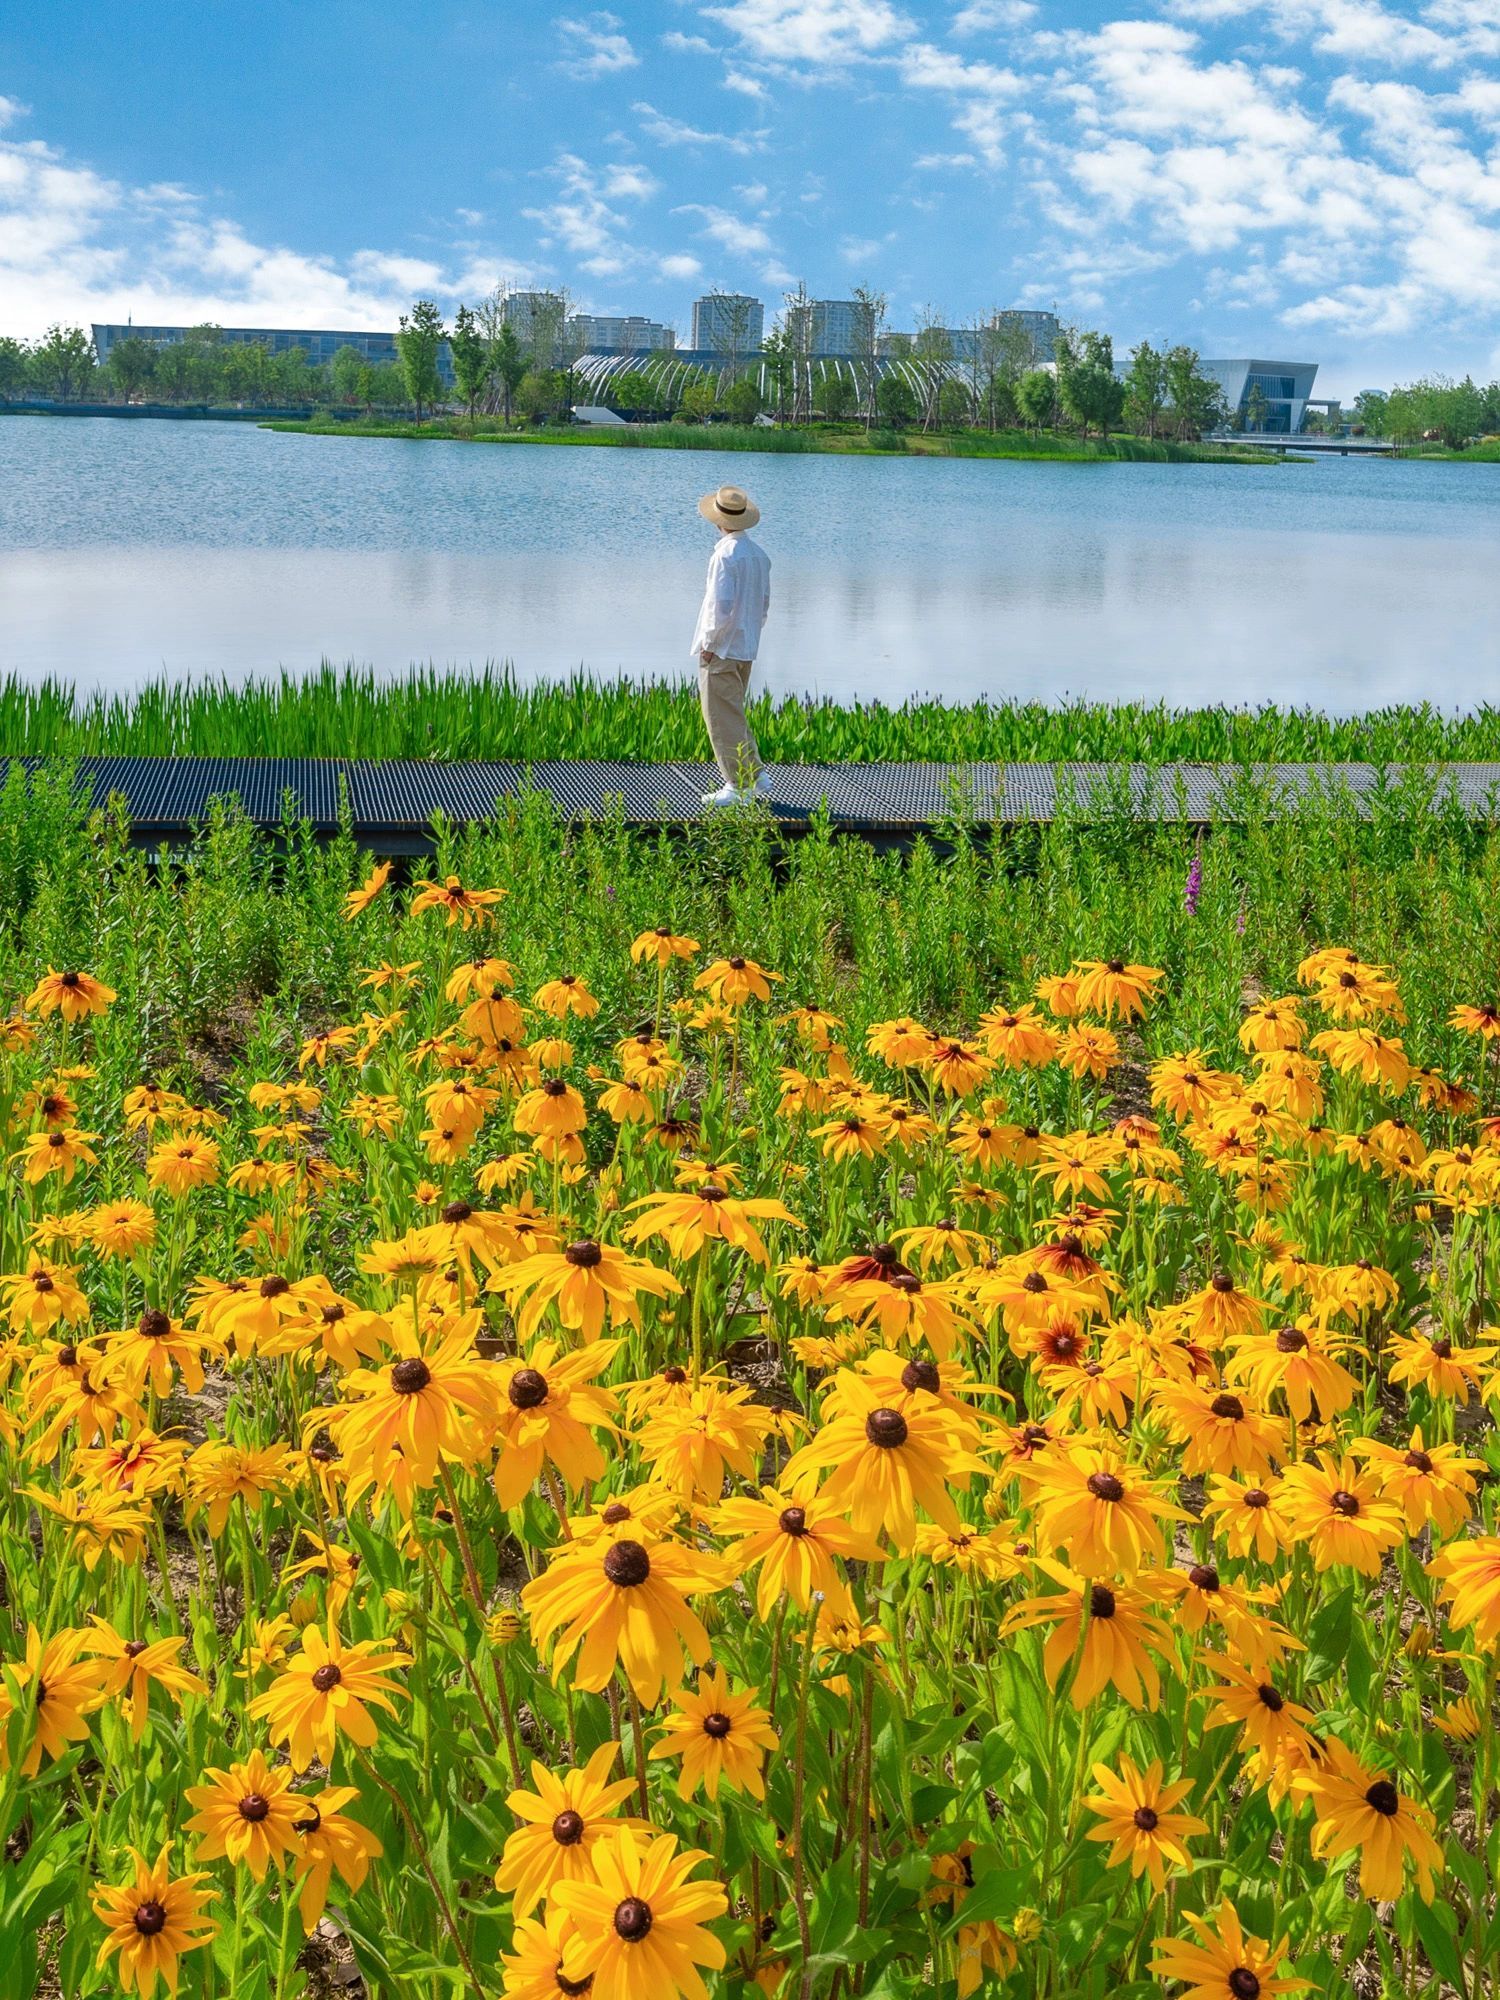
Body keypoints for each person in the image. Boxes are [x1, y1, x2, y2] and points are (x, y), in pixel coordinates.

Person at [691, 484, 772, 806]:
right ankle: (755, 775)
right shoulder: (759, 555)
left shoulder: (725, 554)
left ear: (718, 520)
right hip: (746, 645)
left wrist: (709, 643)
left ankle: (738, 786)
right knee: (733, 712)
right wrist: (748, 633)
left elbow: (720, 606)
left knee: (720, 717)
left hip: (723, 648)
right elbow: (764, 605)